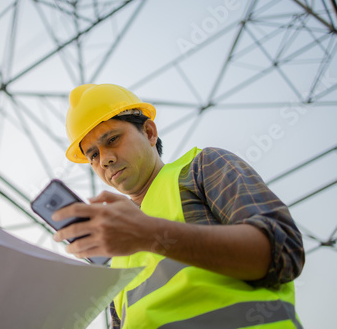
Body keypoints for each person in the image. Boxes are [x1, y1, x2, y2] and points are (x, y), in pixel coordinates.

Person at [52, 83, 305, 328]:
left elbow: (282, 251)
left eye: (113, 139)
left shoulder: (201, 168)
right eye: (93, 155)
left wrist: (148, 233)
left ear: (149, 133)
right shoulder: (116, 254)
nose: (105, 159)